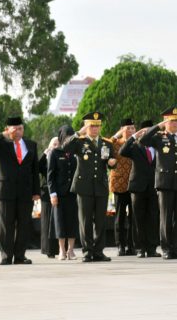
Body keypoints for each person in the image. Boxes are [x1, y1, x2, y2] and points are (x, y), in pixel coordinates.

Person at [138, 107, 177, 260]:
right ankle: (166, 248)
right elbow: (142, 140)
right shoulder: (159, 137)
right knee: (165, 217)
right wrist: (157, 126)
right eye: (172, 120)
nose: (175, 123)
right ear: (166, 122)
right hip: (165, 183)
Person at [0, 116, 40, 265]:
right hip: (6, 191)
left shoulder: (31, 145)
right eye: (14, 129)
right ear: (8, 129)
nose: (18, 132)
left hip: (26, 192)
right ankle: (6, 256)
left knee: (24, 224)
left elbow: (35, 170)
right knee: (6, 225)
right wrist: (2, 135)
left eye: (20, 128)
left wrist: (36, 191)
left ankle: (20, 256)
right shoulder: (2, 144)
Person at [62, 112, 117, 262]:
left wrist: (113, 162)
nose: (94, 129)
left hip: (100, 185)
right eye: (91, 126)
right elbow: (65, 147)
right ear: (86, 126)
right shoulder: (79, 141)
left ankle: (98, 251)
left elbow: (112, 161)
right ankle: (87, 251)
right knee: (85, 220)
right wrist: (78, 132)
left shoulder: (106, 143)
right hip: (84, 186)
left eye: (97, 126)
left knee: (100, 220)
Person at [119, 120, 161, 258]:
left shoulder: (158, 145)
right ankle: (140, 248)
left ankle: (152, 248)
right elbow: (122, 151)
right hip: (138, 186)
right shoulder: (135, 146)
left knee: (153, 217)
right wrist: (133, 136)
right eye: (146, 132)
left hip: (154, 186)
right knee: (138, 218)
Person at [47, 125, 79, 260]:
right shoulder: (55, 153)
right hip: (59, 194)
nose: (68, 139)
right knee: (59, 222)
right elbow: (50, 175)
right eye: (66, 137)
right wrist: (52, 193)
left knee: (72, 222)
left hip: (73, 193)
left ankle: (71, 250)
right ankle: (61, 250)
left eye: (71, 137)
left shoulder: (75, 152)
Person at [109, 118, 136, 256]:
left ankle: (132, 245)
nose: (131, 131)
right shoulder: (116, 144)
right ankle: (120, 245)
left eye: (133, 128)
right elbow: (107, 143)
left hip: (134, 184)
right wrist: (118, 134)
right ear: (122, 130)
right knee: (119, 216)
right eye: (128, 128)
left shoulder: (136, 143)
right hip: (119, 183)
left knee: (133, 217)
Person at [38, 138, 59, 258]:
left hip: (59, 192)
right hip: (46, 193)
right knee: (47, 222)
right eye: (53, 144)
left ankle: (60, 249)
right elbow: (37, 167)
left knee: (59, 222)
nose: (56, 146)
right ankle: (48, 249)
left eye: (58, 144)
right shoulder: (45, 159)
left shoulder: (61, 157)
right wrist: (45, 153)